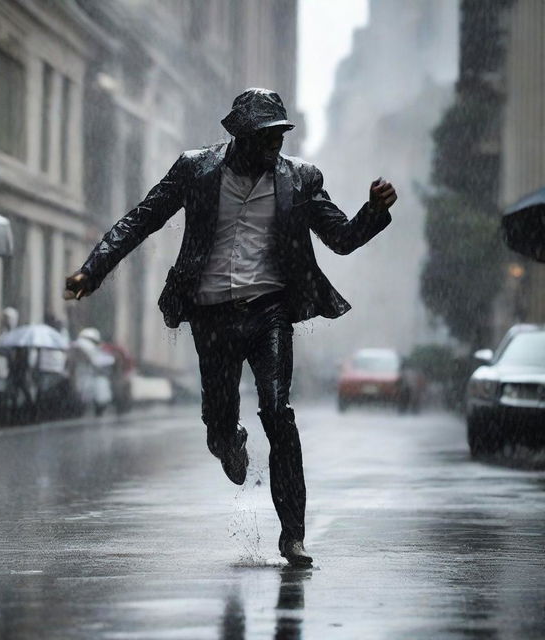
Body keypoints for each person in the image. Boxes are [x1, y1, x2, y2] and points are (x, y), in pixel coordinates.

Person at [65, 88, 397, 566]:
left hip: (270, 311)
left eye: (280, 137)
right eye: (264, 138)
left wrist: (375, 210)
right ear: (237, 136)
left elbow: (341, 239)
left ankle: (293, 536)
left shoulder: (300, 179)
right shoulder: (195, 169)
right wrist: (91, 271)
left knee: (279, 413)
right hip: (212, 313)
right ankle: (228, 442)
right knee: (218, 424)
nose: (274, 147)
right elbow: (140, 221)